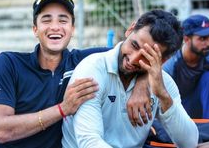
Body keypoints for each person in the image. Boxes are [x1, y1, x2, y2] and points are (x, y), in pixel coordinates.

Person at [0, 0, 110, 148]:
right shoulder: (9, 63)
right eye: (46, 20)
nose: (55, 27)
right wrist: (63, 109)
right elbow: (2, 131)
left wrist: (143, 83)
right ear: (35, 29)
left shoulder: (83, 60)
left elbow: (128, 52)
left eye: (63, 20)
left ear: (72, 29)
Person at [62, 10, 199, 148]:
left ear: (162, 60)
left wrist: (163, 96)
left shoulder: (163, 83)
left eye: (146, 56)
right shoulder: (92, 69)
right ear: (130, 29)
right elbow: (89, 142)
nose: (133, 59)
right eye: (134, 45)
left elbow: (190, 143)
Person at [163, 14, 209, 118]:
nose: (208, 43)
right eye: (203, 38)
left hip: (204, 111)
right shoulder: (171, 63)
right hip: (177, 113)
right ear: (186, 39)